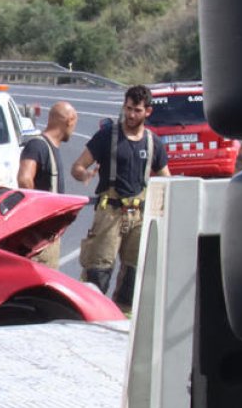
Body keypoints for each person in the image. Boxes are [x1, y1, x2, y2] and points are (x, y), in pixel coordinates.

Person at [71, 85, 171, 310]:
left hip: (139, 216)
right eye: (128, 109)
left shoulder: (154, 143)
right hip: (109, 214)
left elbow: (166, 181)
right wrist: (83, 174)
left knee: (133, 276)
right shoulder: (107, 136)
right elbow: (77, 166)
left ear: (148, 112)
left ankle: (123, 323)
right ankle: (89, 317)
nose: (131, 115)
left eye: (136, 110)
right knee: (98, 272)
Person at [17, 101, 79, 268]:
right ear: (70, 120)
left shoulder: (51, 147)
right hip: (40, 241)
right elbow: (24, 179)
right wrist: (37, 215)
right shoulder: (37, 145)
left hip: (49, 238)